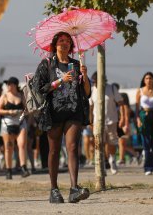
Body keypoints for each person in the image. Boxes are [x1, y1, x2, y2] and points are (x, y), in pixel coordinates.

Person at [33, 31, 91, 204]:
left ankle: (74, 188)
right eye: (61, 41)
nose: (64, 43)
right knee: (54, 150)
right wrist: (60, 81)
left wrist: (85, 76)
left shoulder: (76, 64)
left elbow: (86, 93)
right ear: (55, 45)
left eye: (67, 41)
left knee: (72, 147)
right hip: (53, 112)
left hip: (74, 111)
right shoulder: (47, 64)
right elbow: (38, 88)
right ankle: (54, 189)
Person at [90, 72, 125, 175]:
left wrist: (122, 117)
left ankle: (112, 160)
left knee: (112, 143)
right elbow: (90, 107)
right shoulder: (92, 90)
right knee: (99, 144)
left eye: (96, 82)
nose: (95, 84)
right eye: (94, 82)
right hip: (97, 122)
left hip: (111, 121)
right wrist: (90, 121)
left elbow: (121, 103)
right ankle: (102, 166)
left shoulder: (111, 88)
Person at [0, 77, 30, 179]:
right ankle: (9, 170)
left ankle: (23, 168)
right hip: (7, 123)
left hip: (20, 122)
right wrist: (9, 112)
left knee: (22, 144)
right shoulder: (4, 96)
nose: (8, 86)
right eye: (7, 84)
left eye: (10, 84)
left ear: (15, 85)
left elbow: (27, 109)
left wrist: (23, 113)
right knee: (8, 148)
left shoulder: (21, 95)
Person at [135, 72, 153, 175]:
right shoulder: (140, 91)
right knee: (146, 142)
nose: (149, 80)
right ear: (144, 80)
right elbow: (136, 108)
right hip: (143, 116)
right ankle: (147, 167)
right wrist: (138, 119)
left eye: (150, 78)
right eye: (146, 78)